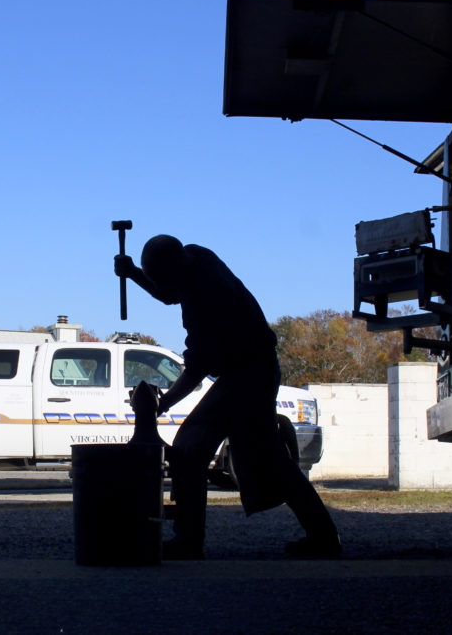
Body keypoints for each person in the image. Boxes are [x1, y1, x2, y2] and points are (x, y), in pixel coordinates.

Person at [115, 234, 341, 560]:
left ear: (171, 268)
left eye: (157, 275)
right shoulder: (195, 257)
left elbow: (195, 369)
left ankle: (189, 541)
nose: (161, 284)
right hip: (252, 370)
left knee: (191, 447)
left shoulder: (203, 298)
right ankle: (323, 537)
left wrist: (161, 406)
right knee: (271, 459)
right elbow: (168, 292)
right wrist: (135, 273)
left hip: (247, 375)